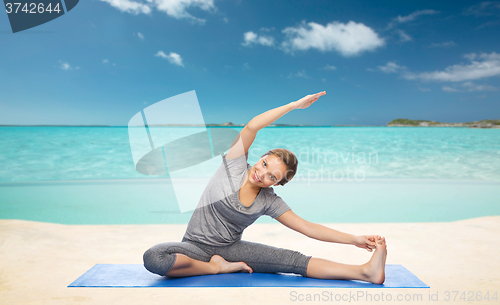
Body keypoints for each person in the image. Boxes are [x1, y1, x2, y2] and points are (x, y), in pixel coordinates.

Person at [143, 91, 387, 284]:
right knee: (155, 258)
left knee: (293, 261)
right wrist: (293, 106)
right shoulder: (234, 165)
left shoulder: (269, 201)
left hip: (232, 249)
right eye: (264, 164)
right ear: (260, 157)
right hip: (193, 246)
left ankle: (366, 272)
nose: (261, 174)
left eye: (272, 176)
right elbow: (251, 127)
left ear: (277, 183)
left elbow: (307, 227)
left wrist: (353, 239)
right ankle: (215, 268)